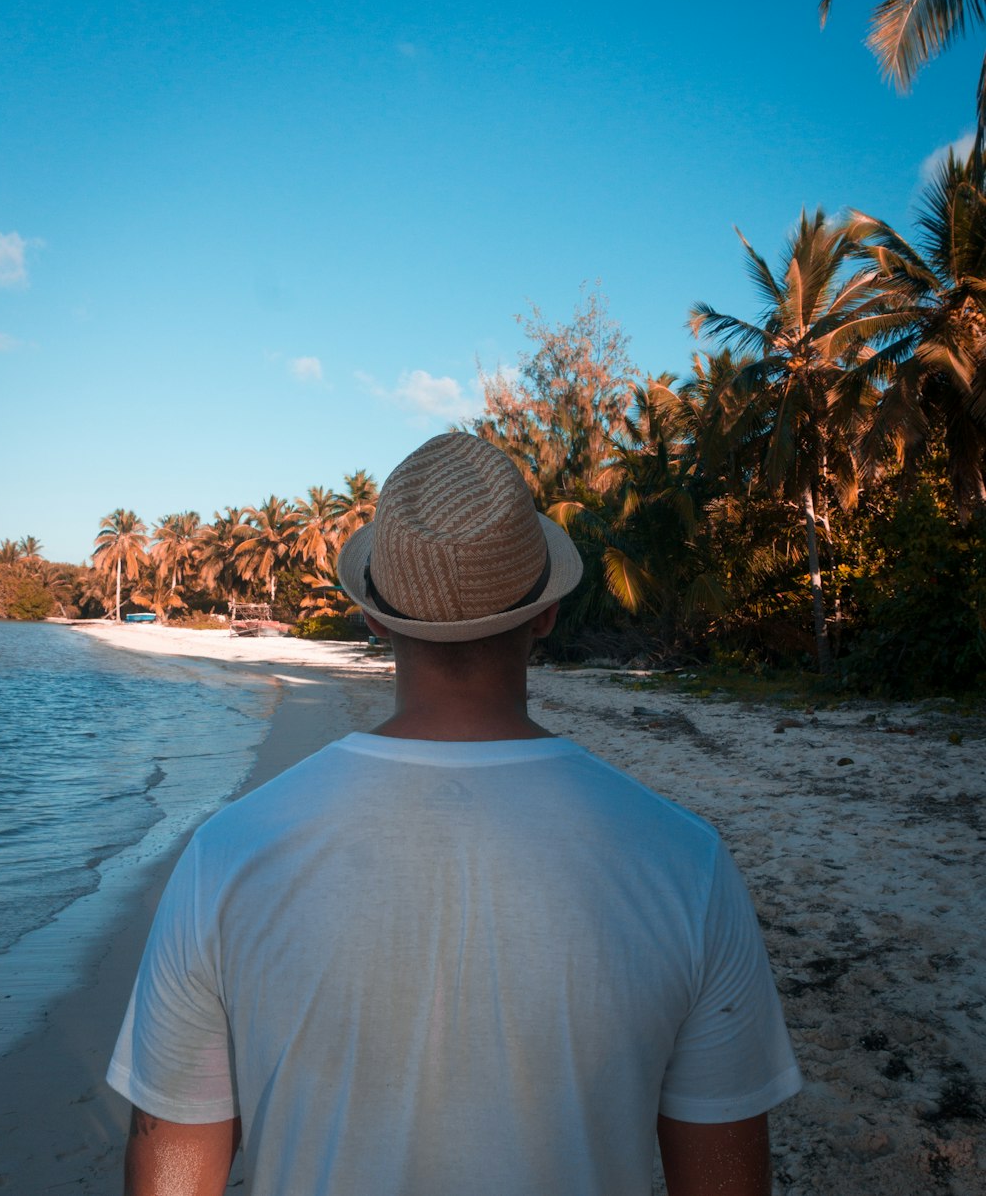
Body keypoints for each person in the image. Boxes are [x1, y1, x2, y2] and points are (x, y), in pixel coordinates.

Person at [107, 432, 802, 1196]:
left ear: (376, 619)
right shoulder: (685, 862)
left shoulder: (229, 855)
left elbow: (173, 1163)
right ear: (545, 614)